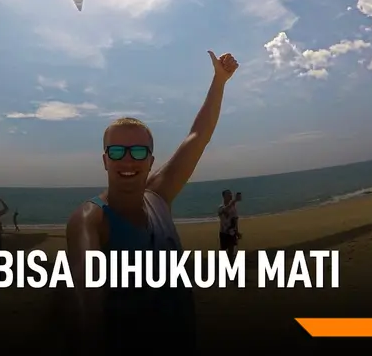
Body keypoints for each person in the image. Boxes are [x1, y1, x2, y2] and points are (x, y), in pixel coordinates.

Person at [65, 50, 238, 354]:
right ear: (105, 160)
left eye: (138, 152)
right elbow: (85, 297)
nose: (127, 159)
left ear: (151, 160)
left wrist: (219, 82)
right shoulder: (90, 219)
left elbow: (198, 135)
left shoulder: (158, 196)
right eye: (117, 152)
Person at [218, 190, 242, 261]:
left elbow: (235, 220)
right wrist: (234, 201)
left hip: (232, 232)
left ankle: (231, 263)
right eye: (228, 194)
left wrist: (237, 231)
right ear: (224, 196)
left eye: (231, 194)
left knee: (231, 249)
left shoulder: (233, 208)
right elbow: (224, 211)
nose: (230, 195)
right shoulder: (220, 207)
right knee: (223, 249)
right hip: (224, 232)